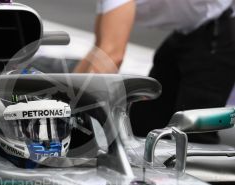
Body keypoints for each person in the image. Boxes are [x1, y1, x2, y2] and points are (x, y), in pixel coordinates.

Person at [75, 0, 235, 143]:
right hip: (190, 29)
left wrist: (76, 114)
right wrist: (66, 102)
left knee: (191, 137)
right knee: (145, 123)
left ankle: (206, 174)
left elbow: (112, 56)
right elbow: (98, 51)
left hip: (220, 29)